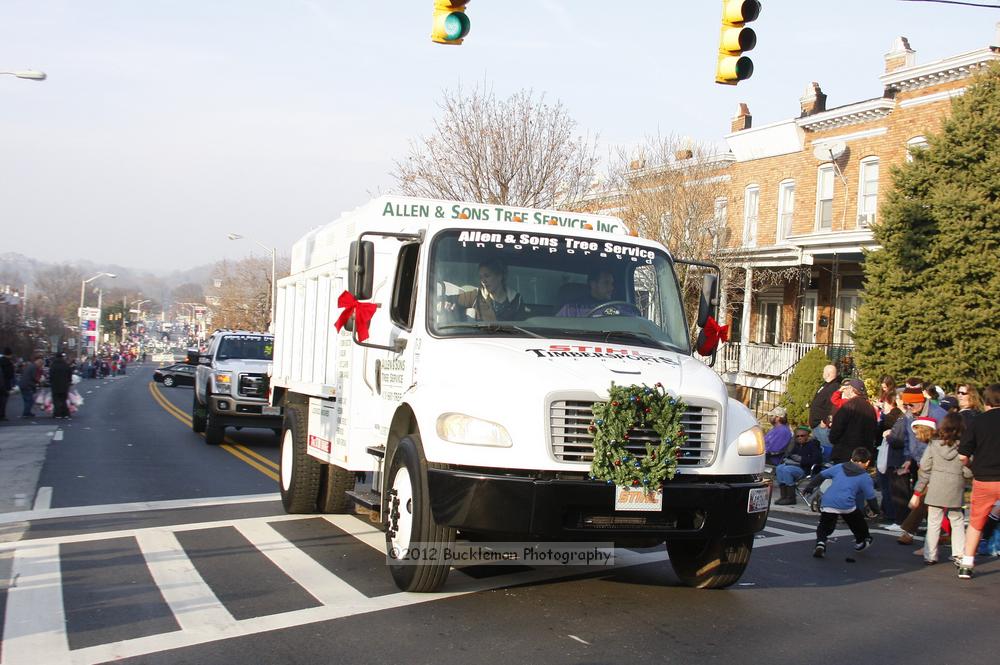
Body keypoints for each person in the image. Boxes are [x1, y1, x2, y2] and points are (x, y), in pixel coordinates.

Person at [908, 414, 971, 565]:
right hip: (955, 485)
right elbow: (968, 471)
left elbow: (925, 467)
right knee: (956, 519)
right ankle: (959, 553)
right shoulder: (963, 446)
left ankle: (930, 555)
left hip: (936, 484)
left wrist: (918, 490)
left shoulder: (934, 444)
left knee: (934, 520)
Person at [892, 382, 948, 544]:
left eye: (912, 404)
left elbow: (945, 440)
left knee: (925, 498)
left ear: (922, 401)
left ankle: (910, 532)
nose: (909, 408)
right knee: (928, 500)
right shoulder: (910, 414)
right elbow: (910, 438)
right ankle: (944, 530)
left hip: (936, 462)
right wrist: (908, 459)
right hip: (919, 461)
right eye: (906, 404)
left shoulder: (938, 415)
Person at [956, 383, 1000, 580]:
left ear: (986, 400)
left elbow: (962, 455)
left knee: (976, 521)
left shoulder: (978, 421)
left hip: (984, 478)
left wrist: (972, 467)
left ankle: (967, 563)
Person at [803, 446, 879, 558]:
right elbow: (871, 497)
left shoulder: (839, 467)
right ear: (867, 463)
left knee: (825, 525)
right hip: (846, 504)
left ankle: (821, 543)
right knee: (857, 522)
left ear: (851, 459)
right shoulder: (865, 477)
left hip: (828, 501)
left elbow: (821, 476)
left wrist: (810, 487)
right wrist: (876, 510)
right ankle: (862, 540)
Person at [445, 260, 524, 322]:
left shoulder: (517, 300)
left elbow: (522, 327)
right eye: (481, 277)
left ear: (500, 277)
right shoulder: (476, 295)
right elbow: (446, 299)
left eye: (487, 276)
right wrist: (446, 303)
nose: (483, 280)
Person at [828, 378, 879, 464]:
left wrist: (833, 439)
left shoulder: (848, 406)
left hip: (845, 452)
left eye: (847, 388)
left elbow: (837, 426)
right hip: (863, 454)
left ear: (851, 389)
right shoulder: (870, 408)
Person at [774, 426, 823, 505]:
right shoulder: (797, 444)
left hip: (806, 469)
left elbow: (817, 460)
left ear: (807, 436)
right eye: (797, 436)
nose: (799, 438)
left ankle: (791, 498)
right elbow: (791, 454)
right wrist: (792, 457)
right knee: (779, 468)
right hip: (795, 465)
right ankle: (783, 496)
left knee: (787, 470)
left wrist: (801, 459)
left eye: (802, 436)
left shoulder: (813, 444)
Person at [808, 364, 841, 428]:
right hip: (816, 424)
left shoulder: (833, 387)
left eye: (824, 372)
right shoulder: (826, 384)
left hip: (822, 426)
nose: (823, 373)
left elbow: (832, 406)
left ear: (828, 374)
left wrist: (825, 421)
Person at [48, 352, 73, 419]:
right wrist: (69, 382)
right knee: (63, 399)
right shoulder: (66, 365)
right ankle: (65, 413)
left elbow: (50, 375)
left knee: (56, 400)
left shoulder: (53, 365)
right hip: (64, 385)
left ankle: (57, 413)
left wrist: (50, 382)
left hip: (55, 385)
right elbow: (69, 374)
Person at [0, 347, 14, 421]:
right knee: (3, 400)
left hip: (2, 382)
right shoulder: (8, 362)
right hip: (5, 383)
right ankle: (2, 415)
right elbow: (10, 374)